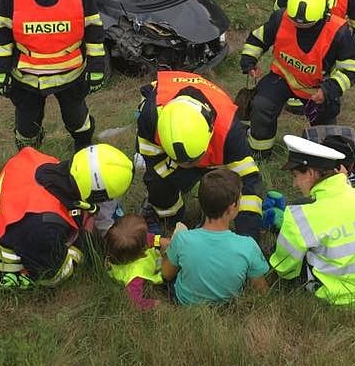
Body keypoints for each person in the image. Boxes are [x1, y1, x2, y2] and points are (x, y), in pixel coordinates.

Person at [0, 0, 106, 151]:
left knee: (79, 123)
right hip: (27, 78)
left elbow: (94, 30)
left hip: (71, 75)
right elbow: (2, 34)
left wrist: (96, 68)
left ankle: (84, 154)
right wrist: (1, 72)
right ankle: (29, 161)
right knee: (26, 130)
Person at [0, 143, 133, 289]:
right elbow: (55, 275)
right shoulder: (45, 227)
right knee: (76, 254)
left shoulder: (37, 159)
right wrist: (86, 239)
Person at [266, 135, 355, 305]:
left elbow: (285, 269)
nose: (294, 184)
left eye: (296, 175)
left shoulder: (301, 214)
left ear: (311, 173)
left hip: (333, 299)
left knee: (284, 252)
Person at [240, 0, 355, 159]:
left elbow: (351, 68)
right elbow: (258, 39)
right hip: (282, 78)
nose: (299, 28)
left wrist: (329, 90)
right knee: (262, 106)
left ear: (323, 15)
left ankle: (321, 160)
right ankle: (259, 152)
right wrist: (249, 61)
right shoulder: (281, 18)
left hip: (317, 88)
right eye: (296, 24)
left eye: (306, 26)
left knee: (325, 131)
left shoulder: (338, 31)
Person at [136, 70, 264, 238]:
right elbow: (153, 162)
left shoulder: (230, 132)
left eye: (194, 161)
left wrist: (248, 237)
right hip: (163, 103)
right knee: (157, 182)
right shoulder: (151, 116)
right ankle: (169, 217)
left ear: (210, 131)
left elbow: (249, 180)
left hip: (217, 130)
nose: (189, 166)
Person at [161, 168, 269, 305]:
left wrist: (168, 251)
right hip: (227, 305)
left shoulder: (182, 239)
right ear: (232, 207)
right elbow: (261, 289)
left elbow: (166, 274)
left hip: (184, 302)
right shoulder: (248, 245)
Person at [104, 215, 168, 310]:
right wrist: (154, 304)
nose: (148, 237)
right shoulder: (135, 277)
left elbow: (147, 238)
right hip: (159, 270)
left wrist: (158, 240)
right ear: (142, 248)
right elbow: (135, 302)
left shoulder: (114, 245)